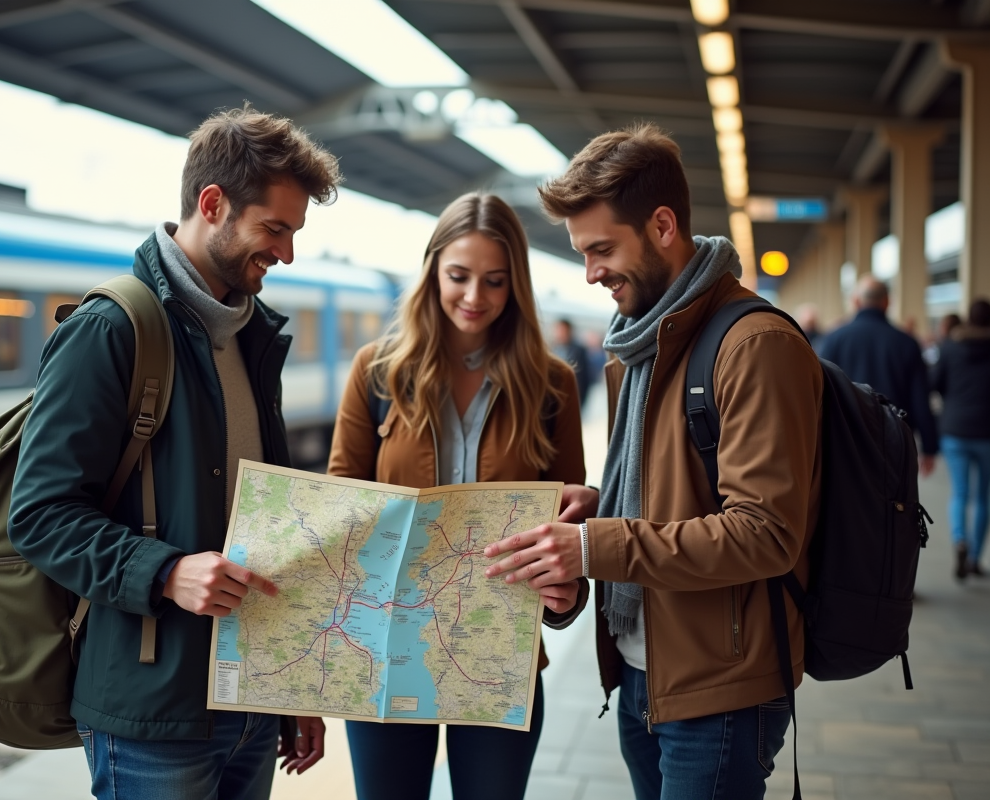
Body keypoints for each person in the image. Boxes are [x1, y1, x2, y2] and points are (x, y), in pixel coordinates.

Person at [8, 107, 342, 800]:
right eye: (274, 229)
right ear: (212, 204)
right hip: (152, 714)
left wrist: (291, 685)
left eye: (293, 233)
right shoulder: (111, 330)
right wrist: (164, 573)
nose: (286, 253)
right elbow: (39, 516)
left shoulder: (251, 338)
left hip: (249, 699)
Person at [481, 123, 823, 799]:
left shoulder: (752, 345)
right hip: (644, 668)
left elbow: (766, 533)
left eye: (602, 248)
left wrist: (593, 545)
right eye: (583, 253)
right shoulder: (639, 344)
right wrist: (600, 504)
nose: (590, 272)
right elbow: (673, 491)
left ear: (663, 225)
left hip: (719, 683)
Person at [327, 193, 588, 800]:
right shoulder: (377, 374)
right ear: (431, 273)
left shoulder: (552, 386)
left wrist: (563, 597)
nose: (475, 296)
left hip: (501, 655)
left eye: (495, 281)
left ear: (515, 285)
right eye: (459, 276)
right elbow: (337, 506)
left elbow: (569, 529)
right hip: (386, 654)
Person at [818, 275, 938, 477]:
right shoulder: (906, 343)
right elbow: (920, 397)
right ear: (887, 302)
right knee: (892, 501)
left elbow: (819, 392)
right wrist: (929, 446)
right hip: (893, 439)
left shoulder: (833, 340)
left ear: (856, 301)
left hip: (845, 438)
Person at [931, 299, 990, 579]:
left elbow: (935, 383)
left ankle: (959, 539)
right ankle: (976, 558)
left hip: (955, 428)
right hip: (987, 433)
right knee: (982, 496)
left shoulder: (950, 347)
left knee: (960, 492)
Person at [551, 317, 593, 407]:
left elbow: (584, 376)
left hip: (574, 396)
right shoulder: (554, 349)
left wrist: (581, 399)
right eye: (558, 330)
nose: (559, 333)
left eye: (562, 330)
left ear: (569, 331)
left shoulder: (579, 350)